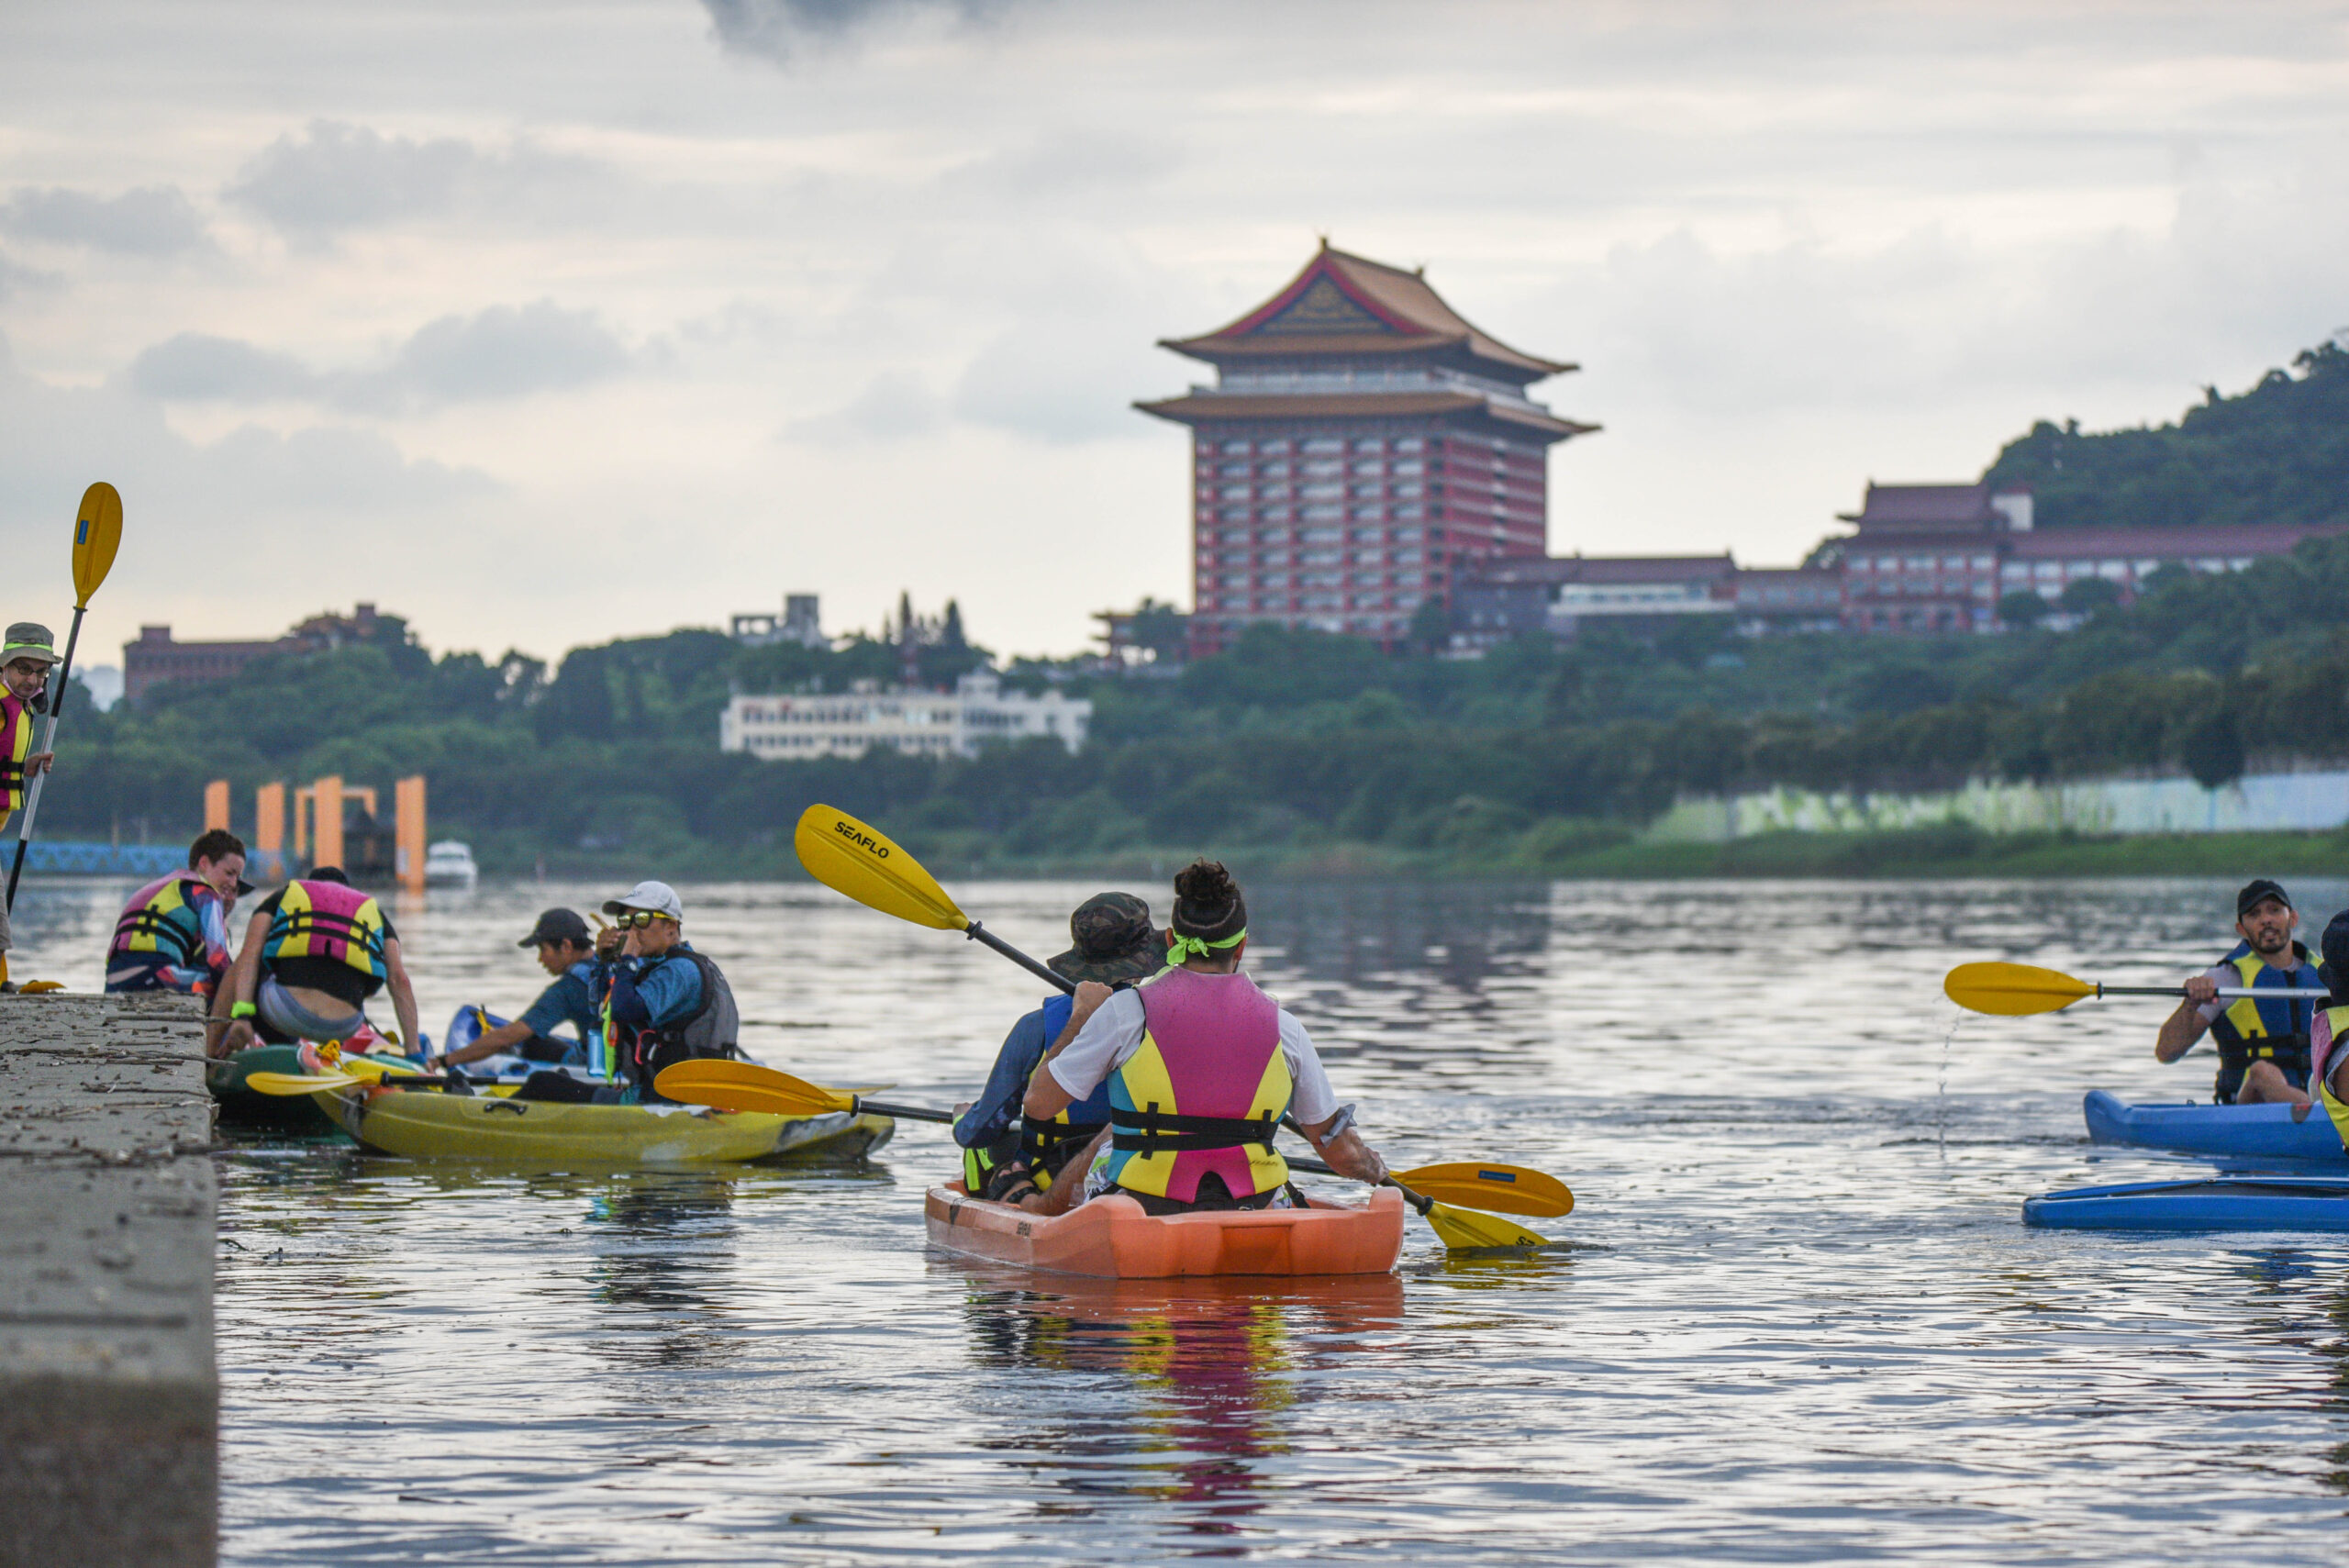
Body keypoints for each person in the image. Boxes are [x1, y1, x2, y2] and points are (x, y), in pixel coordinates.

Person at [1021, 859, 1389, 1216]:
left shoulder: (1127, 1012)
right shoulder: (1285, 1027)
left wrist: (1081, 1018)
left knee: (1107, 1144)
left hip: (1142, 1205)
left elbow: (1039, 1104)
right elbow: (1338, 1152)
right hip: (1252, 1203)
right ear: (1242, 946)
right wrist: (1370, 1166)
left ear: (1169, 940)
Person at [952, 892, 1162, 1208]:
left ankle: (1007, 1195)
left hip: (1049, 1181)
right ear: (1142, 964)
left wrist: (961, 1120)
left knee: (979, 1145)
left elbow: (979, 1131)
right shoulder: (1165, 1021)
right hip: (1135, 1175)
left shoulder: (1035, 1028)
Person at [515, 880, 736, 1104]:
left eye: (641, 920)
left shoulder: (679, 971)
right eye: (624, 921)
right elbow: (602, 1009)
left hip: (667, 1101)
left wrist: (627, 959)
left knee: (541, 1084)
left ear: (671, 926)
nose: (630, 930)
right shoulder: (657, 967)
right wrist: (605, 961)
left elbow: (624, 1010)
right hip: (660, 1094)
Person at [207, 866, 421, 1061]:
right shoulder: (374, 913)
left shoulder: (285, 896)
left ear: (310, 885)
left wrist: (242, 1016)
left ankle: (209, 1056)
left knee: (239, 966)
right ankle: (412, 1056)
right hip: (345, 1025)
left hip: (285, 1013)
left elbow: (249, 956)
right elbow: (399, 980)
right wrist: (414, 1054)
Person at [2157, 878, 2324, 1106]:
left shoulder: (2327, 975)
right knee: (2261, 1072)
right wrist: (2191, 1004)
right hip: (2250, 1107)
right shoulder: (2223, 978)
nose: (2266, 919)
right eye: (2254, 914)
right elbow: (2166, 1053)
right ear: (2241, 929)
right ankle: (2317, 1115)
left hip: (2323, 1098)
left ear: (2292, 918)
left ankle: (2318, 1112)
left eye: (2274, 910)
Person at [429, 907, 601, 1071]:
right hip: (619, 1058)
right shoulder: (607, 963)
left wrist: (443, 1061)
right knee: (537, 1041)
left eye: (543, 949)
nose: (540, 959)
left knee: (529, 1043)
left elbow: (506, 1038)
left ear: (566, 947)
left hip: (597, 1067)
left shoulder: (567, 989)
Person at [105, 828, 251, 995]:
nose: (233, 884)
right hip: (155, 977)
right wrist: (241, 993)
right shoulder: (206, 894)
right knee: (236, 987)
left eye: (237, 877)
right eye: (229, 873)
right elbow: (217, 959)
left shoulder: (163, 886)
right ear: (204, 863)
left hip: (113, 982)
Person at [0, 624, 61, 978]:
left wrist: (25, 767)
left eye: (41, 672)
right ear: (5, 666)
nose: (33, 680)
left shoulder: (20, 707)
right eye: (24, 669)